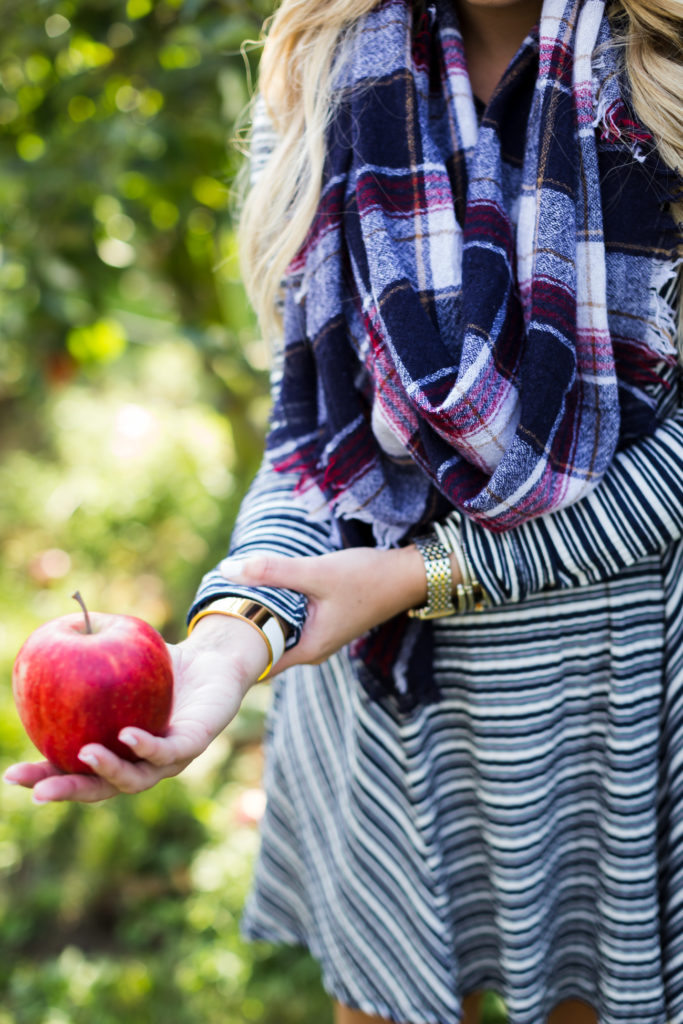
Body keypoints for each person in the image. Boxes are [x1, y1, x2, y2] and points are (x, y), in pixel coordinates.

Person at [5, 0, 683, 1021]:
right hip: (383, 703)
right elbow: (314, 451)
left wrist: (426, 577)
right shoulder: (327, 74)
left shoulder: (661, 84)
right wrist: (237, 631)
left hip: (601, 700)